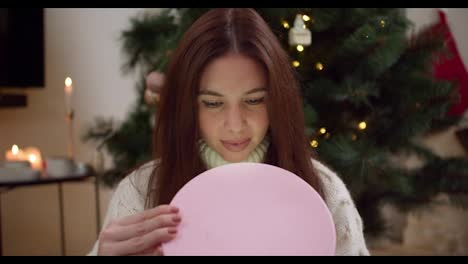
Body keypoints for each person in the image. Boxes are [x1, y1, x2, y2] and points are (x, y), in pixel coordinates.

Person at [88, 8, 370, 256]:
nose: (235, 125)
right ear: (188, 107)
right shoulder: (141, 191)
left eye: (254, 100)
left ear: (278, 101)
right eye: (212, 103)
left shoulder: (323, 191)